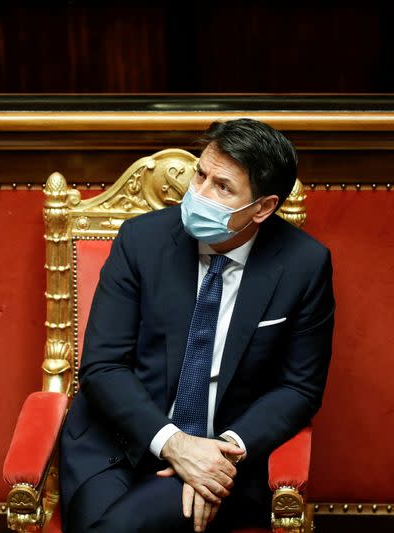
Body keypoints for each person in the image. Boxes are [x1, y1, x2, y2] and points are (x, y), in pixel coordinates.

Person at [59, 118, 335, 532]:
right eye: (200, 175)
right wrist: (174, 444)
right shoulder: (141, 241)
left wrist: (220, 455)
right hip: (118, 443)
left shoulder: (303, 265)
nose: (199, 193)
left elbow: (299, 388)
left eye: (222, 187)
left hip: (221, 455)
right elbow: (103, 367)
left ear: (263, 207)